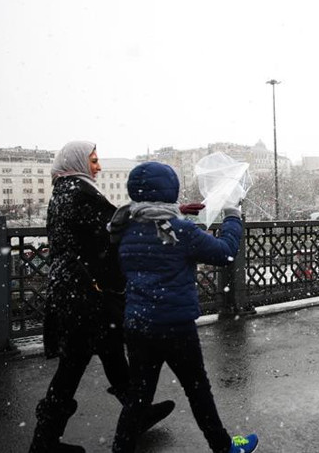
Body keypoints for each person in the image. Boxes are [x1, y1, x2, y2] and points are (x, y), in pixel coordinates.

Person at [29, 142, 174, 453]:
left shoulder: (64, 191)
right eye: (93, 161)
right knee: (73, 366)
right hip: (84, 297)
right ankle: (44, 443)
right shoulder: (78, 193)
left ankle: (136, 413)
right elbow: (114, 226)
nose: (98, 167)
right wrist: (162, 214)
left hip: (75, 293)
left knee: (107, 354)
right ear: (79, 162)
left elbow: (104, 227)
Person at [108, 162, 259, 453]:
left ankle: (120, 448)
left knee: (138, 396)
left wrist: (175, 212)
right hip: (175, 326)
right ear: (170, 190)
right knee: (198, 390)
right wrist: (233, 215)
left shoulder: (125, 228)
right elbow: (225, 252)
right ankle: (223, 446)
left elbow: (154, 229)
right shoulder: (180, 231)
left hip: (138, 325)